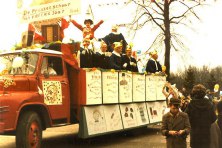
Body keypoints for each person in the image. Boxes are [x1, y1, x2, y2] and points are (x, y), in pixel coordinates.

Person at [185, 84, 217, 148]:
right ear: (204, 93)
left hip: (195, 134)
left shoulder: (191, 104)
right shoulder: (209, 104)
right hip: (206, 134)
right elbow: (214, 118)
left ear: (194, 93)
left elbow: (186, 118)